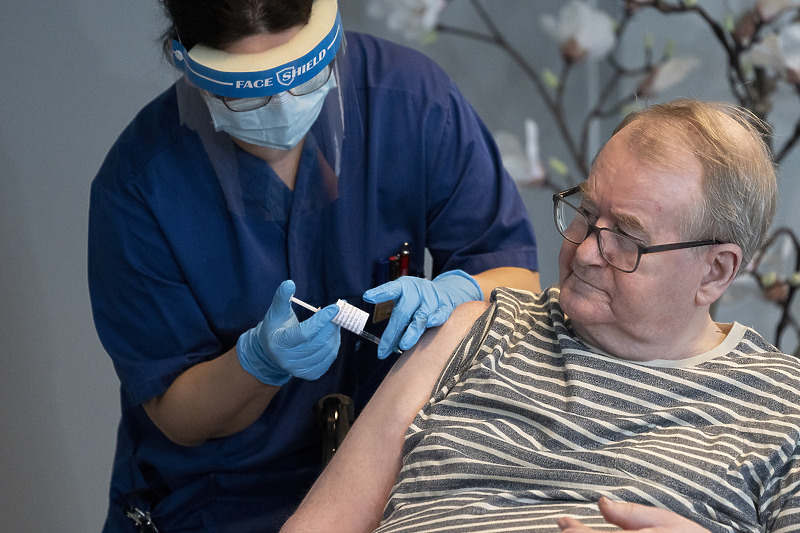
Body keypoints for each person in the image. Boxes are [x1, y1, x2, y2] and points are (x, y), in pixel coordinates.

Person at [88, 0, 541, 531]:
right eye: (249, 93)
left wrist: (458, 293)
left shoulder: (409, 100)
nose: (281, 105)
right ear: (190, 64)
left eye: (303, 79)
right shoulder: (141, 187)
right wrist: (256, 362)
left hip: (398, 475)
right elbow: (177, 415)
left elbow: (516, 280)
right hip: (225, 500)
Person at [281, 99, 800, 533]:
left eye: (625, 235)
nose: (586, 251)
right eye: (587, 212)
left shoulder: (785, 413)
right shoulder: (473, 331)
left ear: (715, 271)